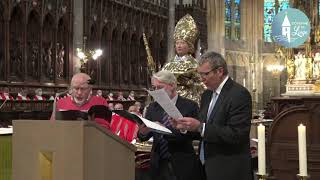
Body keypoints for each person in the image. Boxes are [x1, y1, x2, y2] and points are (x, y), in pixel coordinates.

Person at [171, 51, 252, 180]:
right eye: (200, 74)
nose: (202, 78)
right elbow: (203, 130)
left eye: (206, 74)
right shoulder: (207, 95)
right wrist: (185, 127)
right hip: (205, 167)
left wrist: (201, 127)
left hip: (228, 170)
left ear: (219, 71)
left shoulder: (239, 94)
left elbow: (237, 134)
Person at [138, 70, 203, 180]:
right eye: (154, 88)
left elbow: (197, 134)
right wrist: (143, 132)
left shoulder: (190, 106)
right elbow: (143, 137)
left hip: (182, 162)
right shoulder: (152, 107)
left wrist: (181, 129)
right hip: (158, 163)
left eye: (160, 87)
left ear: (172, 85)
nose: (156, 91)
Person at [162, 14, 204, 103]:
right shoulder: (169, 64)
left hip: (187, 100)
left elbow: (202, 85)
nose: (179, 46)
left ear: (189, 46)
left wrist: (188, 83)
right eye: (177, 43)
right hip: (168, 100)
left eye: (182, 43)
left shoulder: (194, 64)